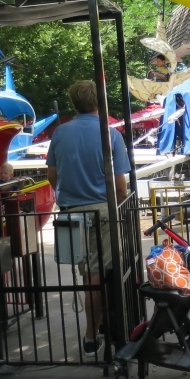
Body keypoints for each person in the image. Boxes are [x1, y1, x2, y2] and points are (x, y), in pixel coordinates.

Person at [46, 80, 131, 356]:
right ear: (100, 101)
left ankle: (96, 328)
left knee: (89, 275)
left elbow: (52, 176)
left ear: (74, 103)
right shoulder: (111, 135)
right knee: (103, 274)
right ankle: (95, 332)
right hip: (102, 211)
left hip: (72, 214)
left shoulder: (60, 133)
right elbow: (120, 187)